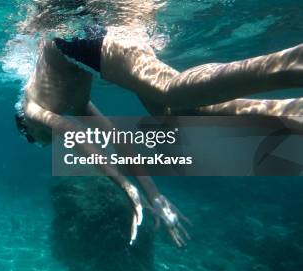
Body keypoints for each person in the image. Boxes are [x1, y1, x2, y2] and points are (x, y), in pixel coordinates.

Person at [16, 32, 302, 246]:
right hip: (91, 45)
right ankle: (292, 112)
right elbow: (116, 137)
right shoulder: (70, 104)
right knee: (175, 112)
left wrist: (126, 187)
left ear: (27, 129)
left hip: (83, 41)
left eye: (44, 139)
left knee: (170, 91)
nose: (48, 138)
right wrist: (154, 194)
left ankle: (294, 62)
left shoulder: (31, 108)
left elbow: (71, 131)